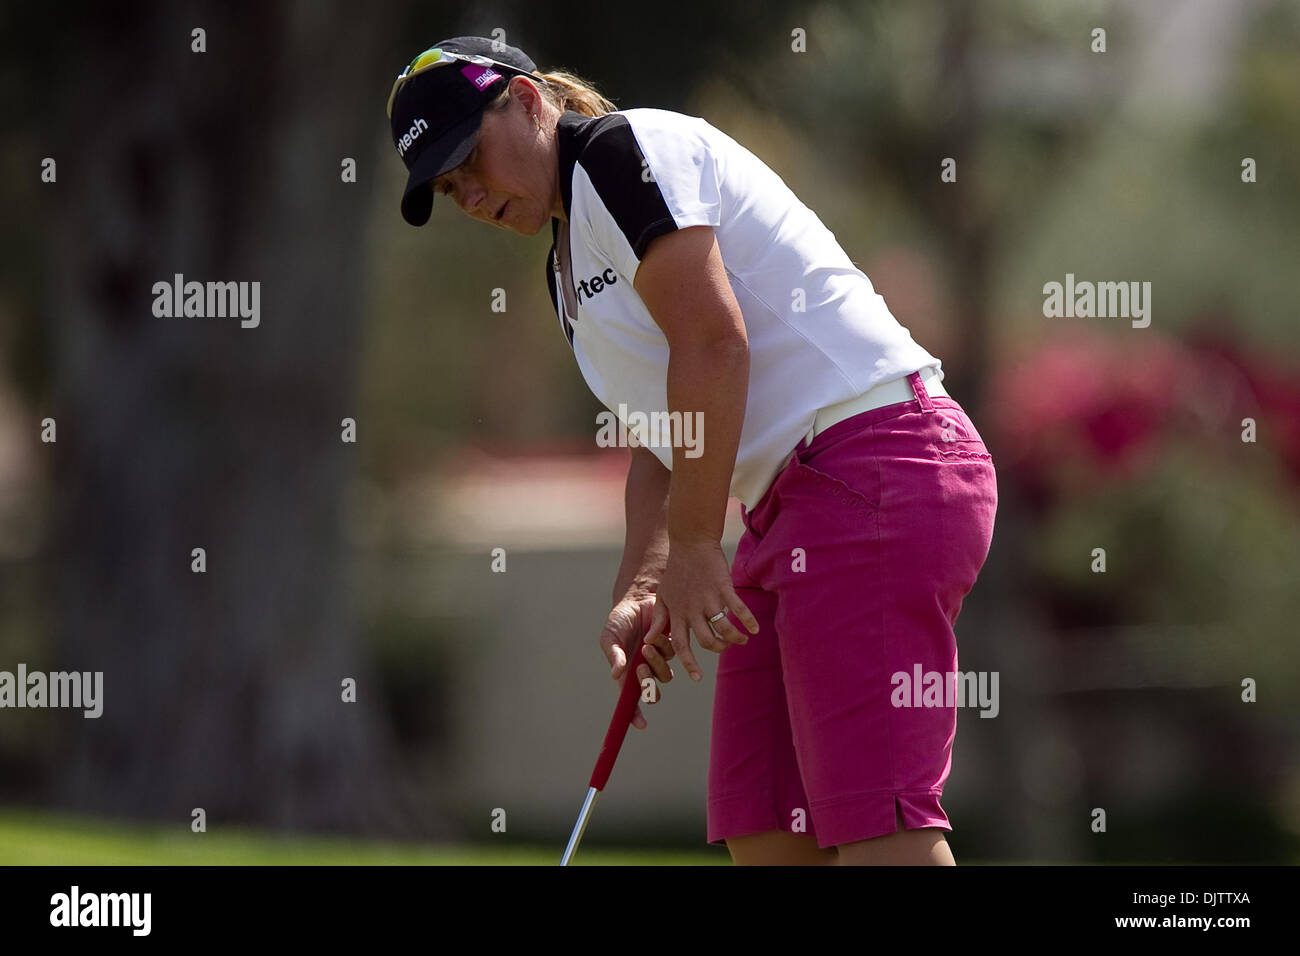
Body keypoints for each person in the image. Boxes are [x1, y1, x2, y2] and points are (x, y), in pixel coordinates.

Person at [387, 36, 998, 865]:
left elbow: (715, 347)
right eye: (446, 188)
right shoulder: (566, 268)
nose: (467, 193)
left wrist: (699, 545)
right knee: (766, 833)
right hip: (801, 502)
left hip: (878, 463)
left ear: (529, 102)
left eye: (468, 160)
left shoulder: (615, 153)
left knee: (877, 828)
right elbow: (663, 431)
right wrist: (646, 579)